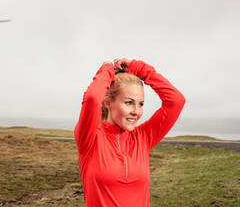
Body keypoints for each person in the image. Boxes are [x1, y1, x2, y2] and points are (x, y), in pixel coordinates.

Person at [74, 58, 186, 207]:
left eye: (140, 104)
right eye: (128, 103)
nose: (136, 112)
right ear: (108, 103)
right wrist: (108, 68)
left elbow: (176, 101)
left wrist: (139, 69)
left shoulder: (143, 138)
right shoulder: (90, 138)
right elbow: (92, 98)